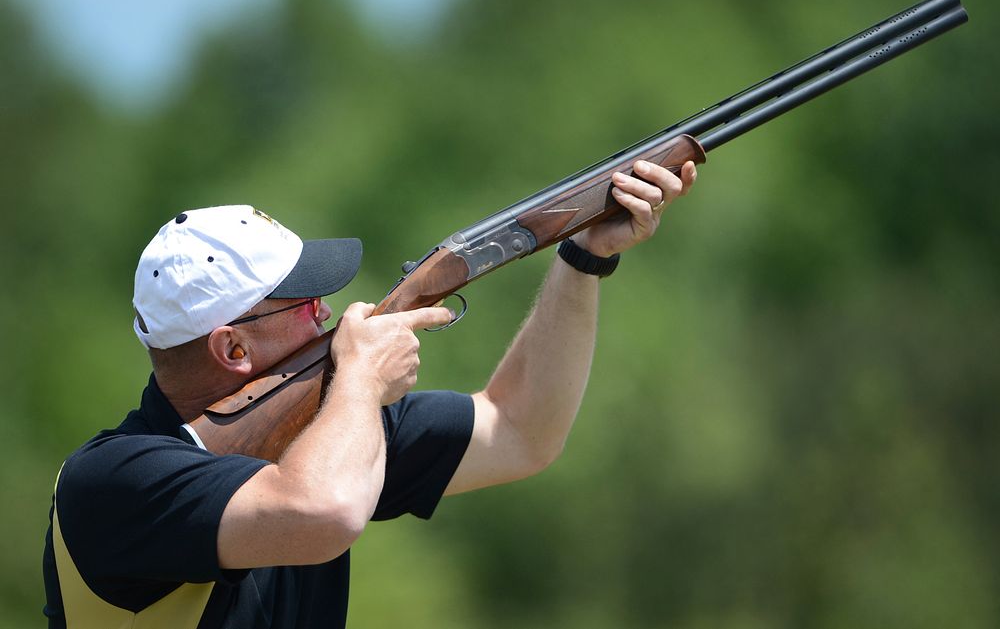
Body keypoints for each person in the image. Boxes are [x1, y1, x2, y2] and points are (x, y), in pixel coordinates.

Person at [42, 159, 698, 628]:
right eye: (305, 303)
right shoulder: (111, 481)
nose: (329, 314)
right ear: (234, 349)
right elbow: (320, 512)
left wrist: (583, 259)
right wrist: (358, 381)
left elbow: (523, 429)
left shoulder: (323, 433)